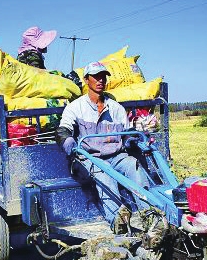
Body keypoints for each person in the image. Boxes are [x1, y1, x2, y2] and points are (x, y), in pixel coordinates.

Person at [57, 61, 149, 232]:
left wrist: (130, 139)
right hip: (91, 158)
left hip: (117, 156)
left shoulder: (116, 108)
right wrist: (67, 140)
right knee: (105, 172)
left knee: (134, 165)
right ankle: (117, 220)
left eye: (103, 77)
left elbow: (127, 130)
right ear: (86, 80)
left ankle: (149, 216)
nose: (100, 80)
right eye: (96, 77)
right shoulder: (75, 107)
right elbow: (64, 129)